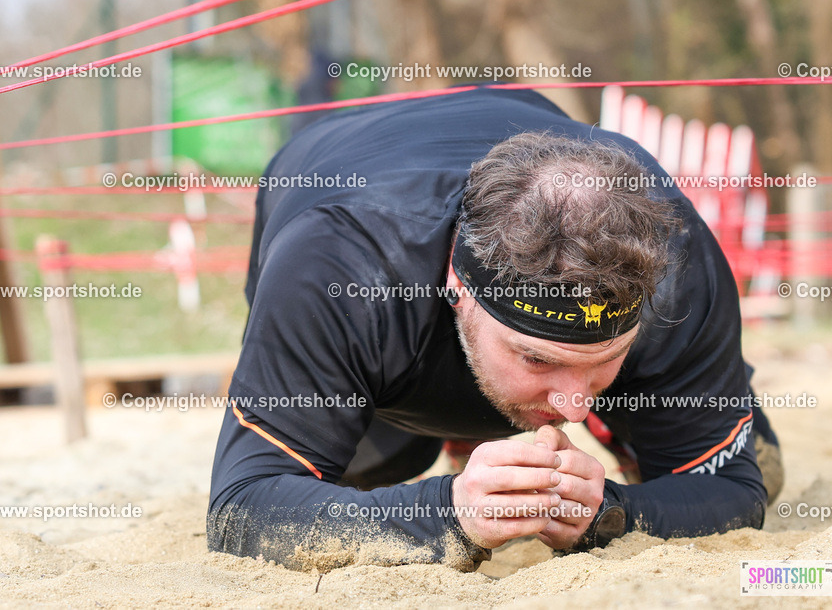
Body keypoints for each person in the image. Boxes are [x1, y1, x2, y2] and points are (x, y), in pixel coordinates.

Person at [206, 85, 782, 571]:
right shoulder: (337, 265)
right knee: (368, 472)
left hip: (523, 119)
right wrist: (447, 514)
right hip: (328, 167)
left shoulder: (676, 255)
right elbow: (242, 506)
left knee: (755, 462)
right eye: (538, 359)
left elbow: (734, 492)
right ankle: (460, 425)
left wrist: (612, 513)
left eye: (606, 356)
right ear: (457, 288)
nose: (575, 408)